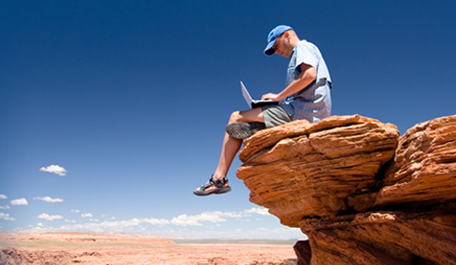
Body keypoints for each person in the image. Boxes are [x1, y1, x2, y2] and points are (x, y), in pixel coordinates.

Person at [193, 25, 332, 196]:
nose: (276, 52)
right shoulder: (302, 53)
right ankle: (259, 129)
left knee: (236, 117)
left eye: (276, 46)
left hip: (301, 113)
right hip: (303, 111)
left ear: (287, 36)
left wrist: (278, 97)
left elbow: (309, 75)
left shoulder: (304, 47)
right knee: (250, 119)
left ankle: (218, 179)